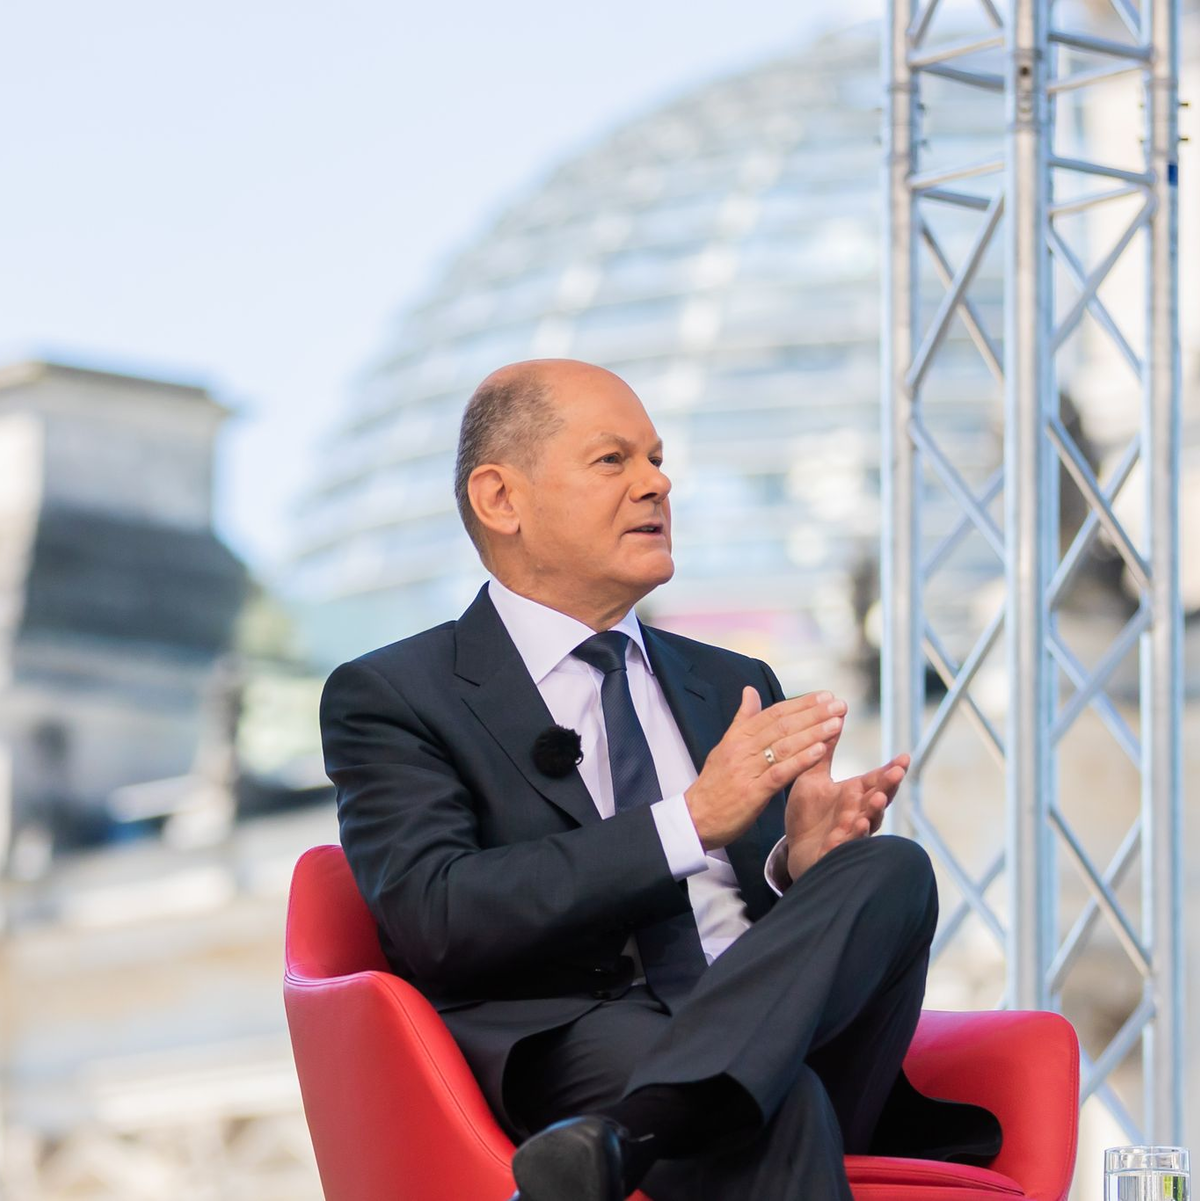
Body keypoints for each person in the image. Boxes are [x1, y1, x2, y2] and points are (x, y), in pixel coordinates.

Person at [319, 359, 1000, 1201]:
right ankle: (682, 1106)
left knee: (889, 866)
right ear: (501, 499)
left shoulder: (732, 681)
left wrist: (798, 868)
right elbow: (437, 915)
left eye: (657, 459)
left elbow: (778, 933)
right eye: (614, 460)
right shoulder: (396, 695)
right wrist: (690, 821)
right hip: (585, 1038)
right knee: (774, 1109)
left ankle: (641, 1128)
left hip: (780, 1037)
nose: (657, 483)